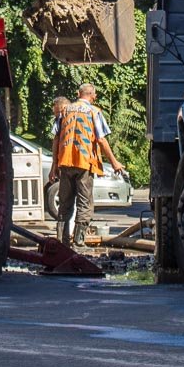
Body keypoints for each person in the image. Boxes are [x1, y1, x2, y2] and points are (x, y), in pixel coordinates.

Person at [50, 83, 126, 249]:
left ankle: (61, 244)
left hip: (65, 162)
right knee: (85, 204)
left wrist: (53, 166)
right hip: (84, 163)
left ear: (78, 94)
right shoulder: (94, 112)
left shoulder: (65, 110)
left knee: (64, 204)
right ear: (94, 96)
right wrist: (114, 162)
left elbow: (56, 137)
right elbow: (101, 139)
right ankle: (78, 242)